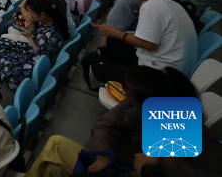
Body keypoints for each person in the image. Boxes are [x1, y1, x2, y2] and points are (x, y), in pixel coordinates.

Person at [25, 66, 220, 177]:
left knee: (55, 149)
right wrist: (103, 153)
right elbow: (105, 123)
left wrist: (161, 160)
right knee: (55, 150)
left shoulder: (189, 135)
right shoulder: (138, 103)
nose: (128, 101)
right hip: (114, 161)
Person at [89, 0, 199, 84]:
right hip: (173, 66)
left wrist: (113, 32)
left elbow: (149, 45)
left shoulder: (151, 7)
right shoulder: (169, 2)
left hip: (161, 76)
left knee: (92, 60)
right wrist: (114, 35)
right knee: (111, 42)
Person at [0, 0, 68, 90]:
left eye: (31, 12)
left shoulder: (50, 34)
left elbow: (39, 56)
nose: (29, 15)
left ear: (42, 14)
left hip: (33, 62)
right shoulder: (48, 23)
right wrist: (31, 33)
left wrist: (29, 37)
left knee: (2, 60)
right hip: (32, 52)